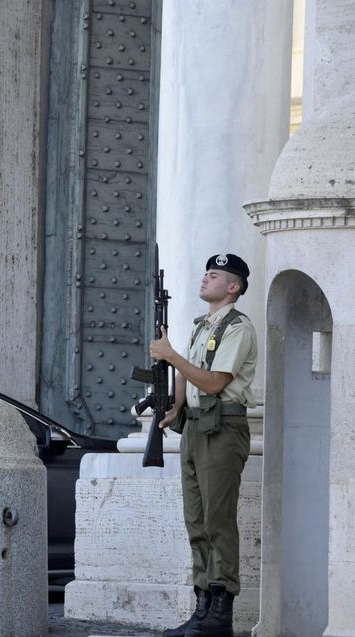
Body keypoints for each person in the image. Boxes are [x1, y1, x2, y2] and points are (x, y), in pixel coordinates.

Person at [149, 253, 257, 637]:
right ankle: (202, 609)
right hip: (196, 428)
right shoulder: (201, 327)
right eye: (206, 271)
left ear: (234, 287)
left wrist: (171, 354)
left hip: (223, 428)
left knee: (217, 521)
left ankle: (220, 614)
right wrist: (174, 405)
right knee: (196, 522)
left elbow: (213, 383)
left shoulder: (237, 328)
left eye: (216, 275)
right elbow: (187, 379)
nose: (206, 277)